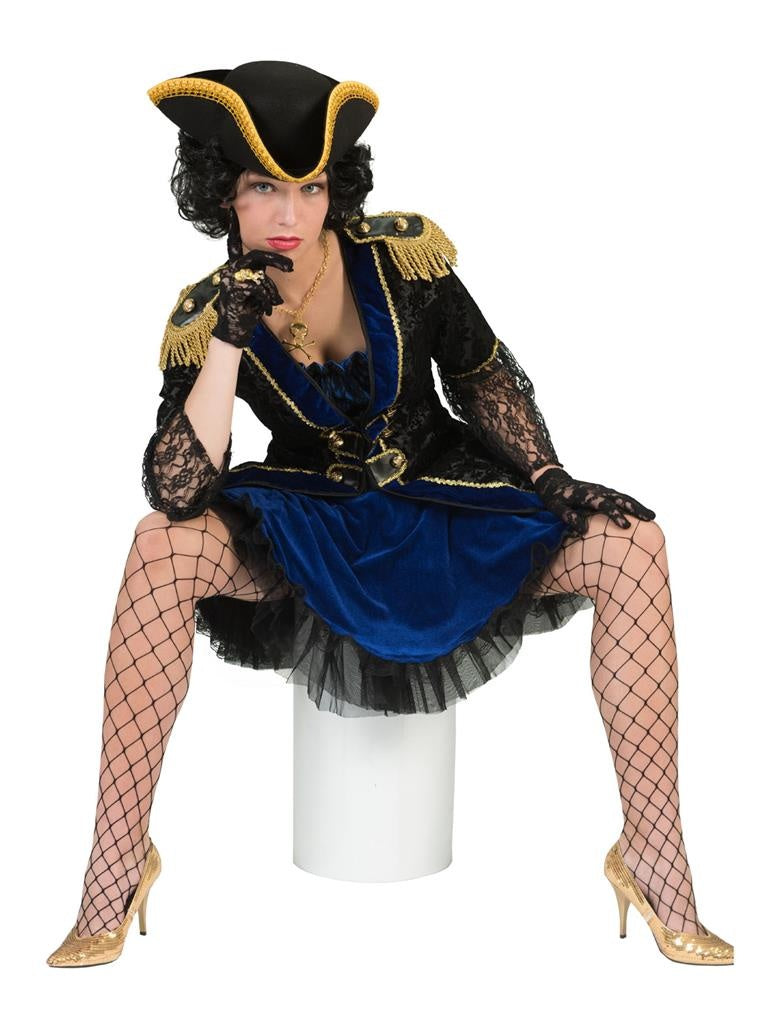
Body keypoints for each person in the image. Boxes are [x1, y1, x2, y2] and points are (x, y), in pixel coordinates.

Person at [46, 60, 733, 968]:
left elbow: (481, 377)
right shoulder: (207, 315)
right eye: (262, 188)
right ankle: (115, 865)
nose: (291, 213)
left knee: (634, 543)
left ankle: (651, 857)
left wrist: (549, 475)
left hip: (441, 499)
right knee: (157, 547)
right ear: (222, 195)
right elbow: (179, 487)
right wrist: (228, 337)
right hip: (313, 523)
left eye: (310, 187)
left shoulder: (401, 259)